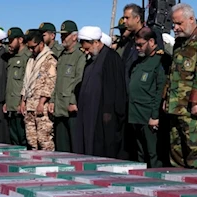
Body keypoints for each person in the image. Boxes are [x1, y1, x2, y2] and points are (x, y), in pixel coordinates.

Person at [165, 3, 197, 169]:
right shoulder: (180, 43)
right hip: (175, 106)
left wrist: (196, 103)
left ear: (191, 19)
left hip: (190, 109)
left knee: (194, 152)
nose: (175, 28)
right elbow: (172, 73)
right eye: (174, 24)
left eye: (179, 23)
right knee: (175, 151)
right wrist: (166, 97)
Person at [74, 26, 127, 157]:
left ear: (96, 43)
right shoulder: (92, 60)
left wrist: (109, 113)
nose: (86, 52)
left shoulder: (111, 58)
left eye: (87, 48)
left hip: (103, 116)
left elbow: (116, 90)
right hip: (89, 113)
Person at [128, 27, 166, 168]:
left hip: (148, 115)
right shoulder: (138, 62)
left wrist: (154, 116)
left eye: (141, 45)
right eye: (136, 45)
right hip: (135, 114)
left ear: (151, 42)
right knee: (140, 153)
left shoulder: (159, 61)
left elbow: (159, 91)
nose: (137, 48)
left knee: (153, 154)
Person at [50, 21, 86, 152]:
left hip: (71, 108)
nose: (62, 38)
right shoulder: (62, 55)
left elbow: (79, 80)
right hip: (59, 107)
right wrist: (52, 100)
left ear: (74, 37)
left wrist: (73, 101)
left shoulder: (80, 55)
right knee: (61, 147)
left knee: (74, 146)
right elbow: (57, 81)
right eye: (62, 35)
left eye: (66, 35)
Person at [19, 30, 57, 150]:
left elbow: (50, 82)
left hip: (42, 106)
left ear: (41, 44)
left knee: (44, 139)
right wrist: (23, 100)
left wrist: (42, 102)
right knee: (31, 140)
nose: (31, 50)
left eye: (33, 47)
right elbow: (27, 80)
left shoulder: (49, 59)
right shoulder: (31, 59)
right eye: (29, 48)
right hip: (30, 103)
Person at [4, 28, 31, 147]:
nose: (9, 43)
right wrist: (7, 102)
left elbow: (28, 82)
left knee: (23, 140)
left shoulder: (28, 57)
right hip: (11, 104)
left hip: (21, 106)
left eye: (11, 40)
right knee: (14, 140)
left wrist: (23, 101)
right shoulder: (12, 57)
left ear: (20, 40)